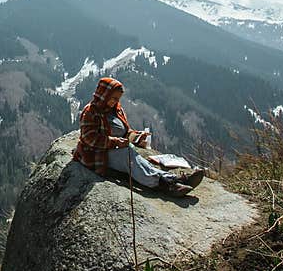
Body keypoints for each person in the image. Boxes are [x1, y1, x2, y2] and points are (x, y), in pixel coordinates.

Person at [72, 77, 205, 197]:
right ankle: (164, 184)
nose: (116, 102)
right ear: (104, 95)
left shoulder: (116, 111)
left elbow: (125, 132)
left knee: (139, 161)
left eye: (118, 99)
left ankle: (172, 180)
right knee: (129, 157)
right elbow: (89, 138)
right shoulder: (90, 112)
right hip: (97, 154)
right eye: (113, 98)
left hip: (116, 149)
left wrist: (136, 137)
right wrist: (114, 142)